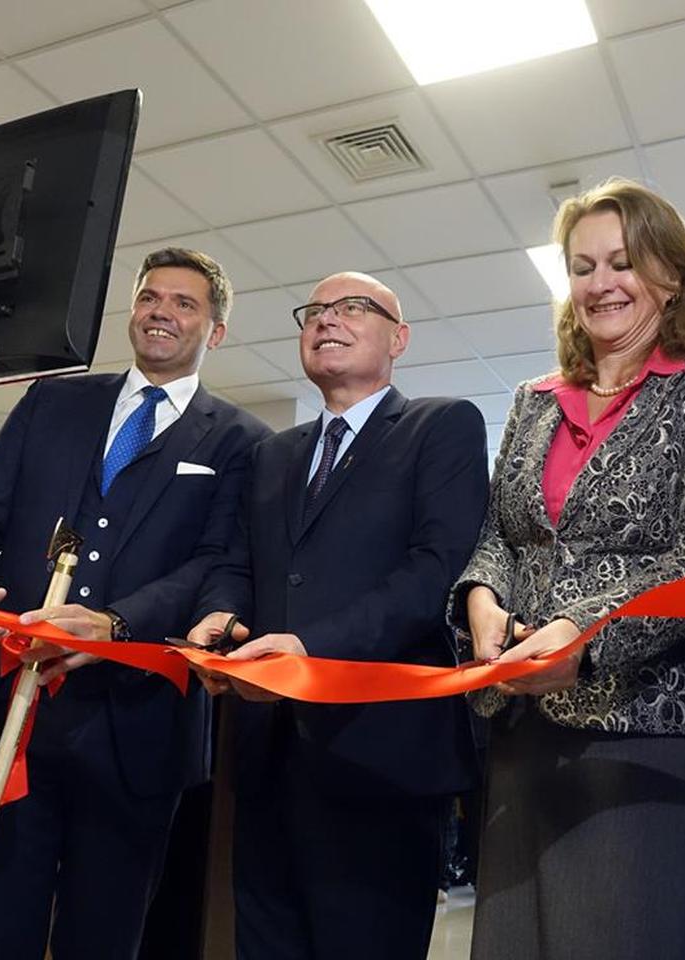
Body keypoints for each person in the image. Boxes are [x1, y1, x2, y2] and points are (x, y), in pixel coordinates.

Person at [447, 178, 685, 960]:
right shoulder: (533, 400)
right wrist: (483, 599)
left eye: (623, 262)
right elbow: (500, 533)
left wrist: (582, 635)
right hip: (522, 725)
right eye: (583, 267)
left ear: (671, 274)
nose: (601, 284)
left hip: (648, 729)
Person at [0, 247, 272, 959]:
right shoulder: (52, 402)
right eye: (150, 297)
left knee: (103, 939)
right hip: (2, 714)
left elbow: (218, 564)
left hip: (135, 733)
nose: (161, 312)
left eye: (184, 303)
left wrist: (117, 623)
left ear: (216, 330)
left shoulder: (243, 441)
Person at [188, 271, 487, 960]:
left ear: (398, 338)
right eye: (315, 310)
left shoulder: (441, 426)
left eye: (353, 307)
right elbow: (237, 564)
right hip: (267, 756)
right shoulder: (271, 454)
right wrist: (217, 616)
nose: (328, 319)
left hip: (380, 756)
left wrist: (308, 649)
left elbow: (434, 571)